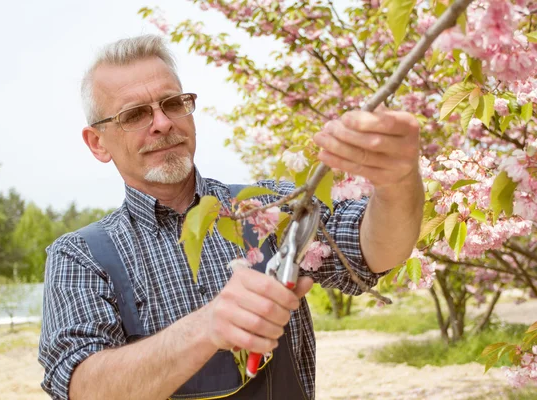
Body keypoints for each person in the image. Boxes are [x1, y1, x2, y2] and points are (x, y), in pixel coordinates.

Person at [38, 34, 424, 400]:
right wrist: (207, 328)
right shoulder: (80, 256)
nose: (163, 122)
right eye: (135, 114)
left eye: (173, 103)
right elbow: (82, 387)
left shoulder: (267, 209)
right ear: (97, 143)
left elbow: (376, 249)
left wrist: (399, 181)